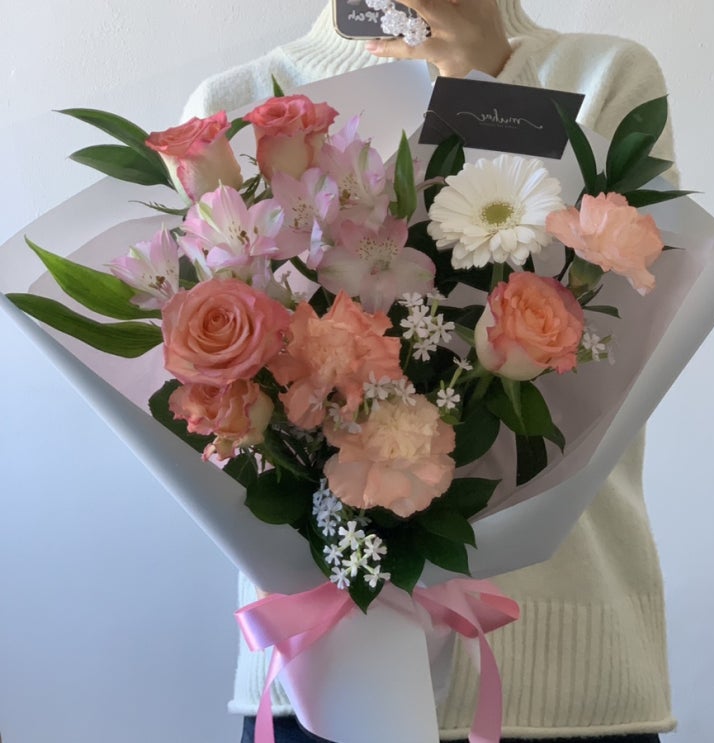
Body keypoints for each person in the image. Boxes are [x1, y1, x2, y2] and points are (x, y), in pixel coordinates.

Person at [183, 2, 678, 741]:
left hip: (567, 668)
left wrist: (480, 87)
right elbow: (225, 396)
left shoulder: (603, 77)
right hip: (321, 664)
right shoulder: (239, 105)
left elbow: (605, 350)